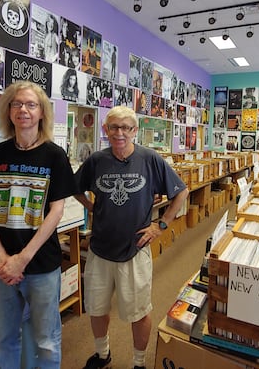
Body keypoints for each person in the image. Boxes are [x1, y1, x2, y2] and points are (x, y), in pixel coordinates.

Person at [74, 106, 189, 369]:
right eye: (114, 127)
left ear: (135, 131)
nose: (120, 133)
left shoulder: (150, 159)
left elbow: (180, 192)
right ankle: (103, 355)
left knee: (139, 311)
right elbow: (75, 188)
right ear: (105, 130)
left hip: (135, 249)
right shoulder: (96, 161)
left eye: (126, 127)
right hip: (100, 248)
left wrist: (160, 225)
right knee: (97, 307)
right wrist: (92, 208)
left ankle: (138, 363)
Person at [0, 81, 78, 369]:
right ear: (8, 111)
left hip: (41, 265)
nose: (24, 110)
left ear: (42, 112)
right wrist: (0, 256)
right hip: (2, 265)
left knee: (46, 339)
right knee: (3, 337)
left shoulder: (55, 156)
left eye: (31, 104)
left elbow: (56, 210)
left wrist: (22, 259)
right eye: (17, 104)